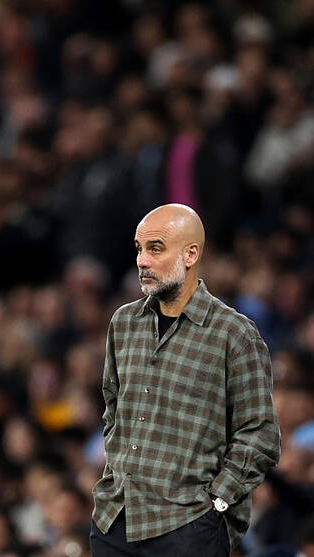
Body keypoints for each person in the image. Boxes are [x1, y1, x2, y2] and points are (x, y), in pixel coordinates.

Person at [89, 204, 281, 556]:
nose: (142, 261)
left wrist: (218, 501)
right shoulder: (124, 322)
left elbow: (260, 433)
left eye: (156, 249)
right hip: (115, 520)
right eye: (139, 249)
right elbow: (112, 408)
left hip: (188, 525)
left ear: (191, 254)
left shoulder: (234, 333)